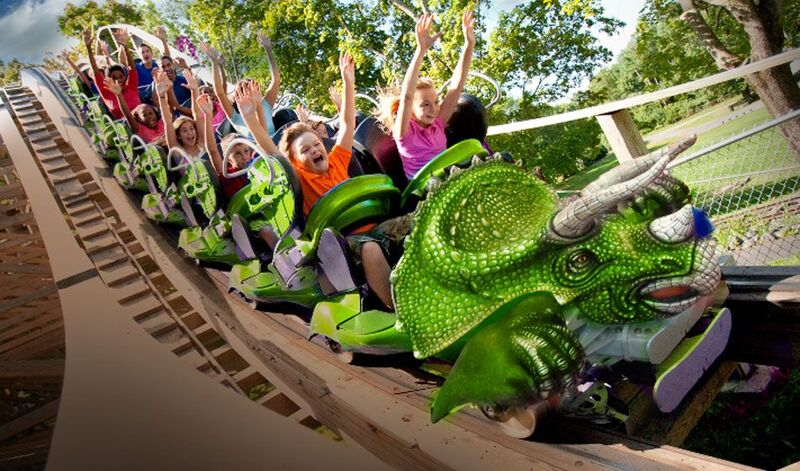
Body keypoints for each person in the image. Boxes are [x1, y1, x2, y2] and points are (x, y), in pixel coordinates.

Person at [379, 11, 475, 179]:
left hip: (448, 180)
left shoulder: (437, 124)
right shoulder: (404, 132)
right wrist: (420, 50)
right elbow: (407, 96)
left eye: (435, 102)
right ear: (410, 109)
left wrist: (469, 45)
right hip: (422, 190)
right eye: (425, 104)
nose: (434, 109)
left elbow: (457, 84)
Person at [200, 32, 280, 138]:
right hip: (256, 153)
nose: (247, 92)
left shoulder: (266, 104)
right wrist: (214, 62)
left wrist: (268, 49)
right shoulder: (235, 117)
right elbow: (219, 92)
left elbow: (276, 79)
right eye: (242, 90)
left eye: (251, 88)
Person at [83, 27, 141, 120]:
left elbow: (132, 68)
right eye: (114, 78)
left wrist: (125, 46)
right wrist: (89, 48)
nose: (118, 80)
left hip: (144, 121)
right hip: (128, 128)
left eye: (121, 77)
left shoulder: (130, 86)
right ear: (109, 80)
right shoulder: (106, 92)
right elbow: (96, 71)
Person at [153, 68, 205, 163]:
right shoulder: (178, 151)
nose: (190, 133)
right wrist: (161, 96)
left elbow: (197, 115)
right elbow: (168, 121)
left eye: (191, 129)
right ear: (179, 136)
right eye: (184, 131)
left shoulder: (201, 143)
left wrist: (195, 90)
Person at [104, 76, 164, 144]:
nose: (149, 116)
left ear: (155, 114)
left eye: (151, 113)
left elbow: (163, 106)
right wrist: (119, 95)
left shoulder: (161, 123)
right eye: (144, 115)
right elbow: (128, 115)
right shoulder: (140, 128)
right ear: (138, 118)